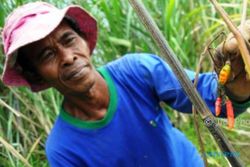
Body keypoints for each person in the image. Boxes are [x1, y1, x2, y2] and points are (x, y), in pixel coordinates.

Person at [1, 1, 250, 167]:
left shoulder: (136, 71)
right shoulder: (64, 150)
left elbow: (210, 100)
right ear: (36, 76)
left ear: (85, 42)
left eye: (69, 40)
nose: (67, 57)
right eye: (47, 56)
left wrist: (237, 86)